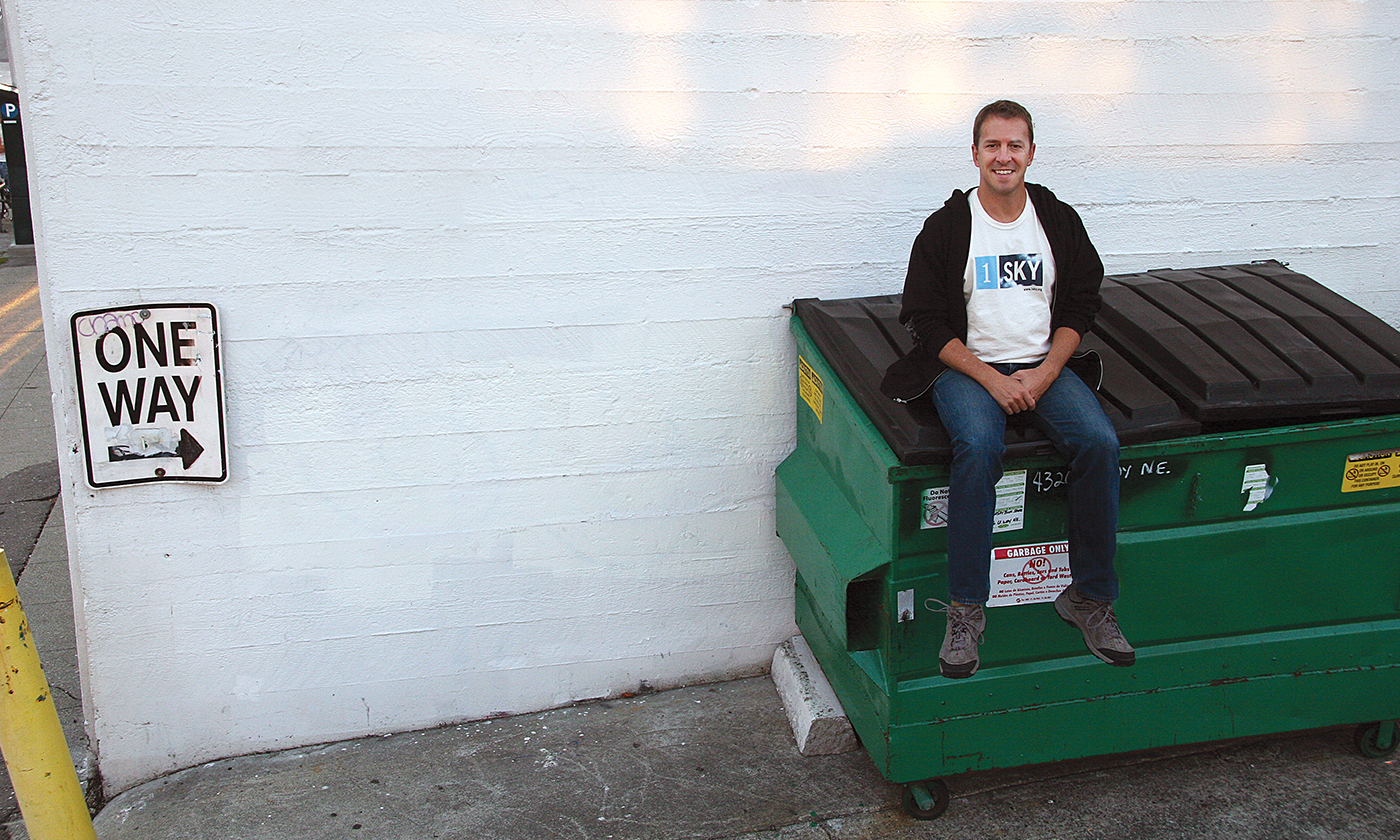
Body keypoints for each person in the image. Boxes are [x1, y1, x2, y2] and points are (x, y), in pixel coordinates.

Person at [880, 100, 1133, 679]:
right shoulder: (946, 229)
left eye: (1014, 145)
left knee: (1099, 443)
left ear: (1031, 153)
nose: (1003, 157)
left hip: (1043, 366)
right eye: (992, 146)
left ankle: (1089, 598)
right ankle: (967, 611)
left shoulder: (1057, 220)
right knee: (976, 447)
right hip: (969, 369)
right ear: (974, 154)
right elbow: (925, 323)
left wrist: (1043, 376)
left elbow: (1080, 305)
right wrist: (993, 379)